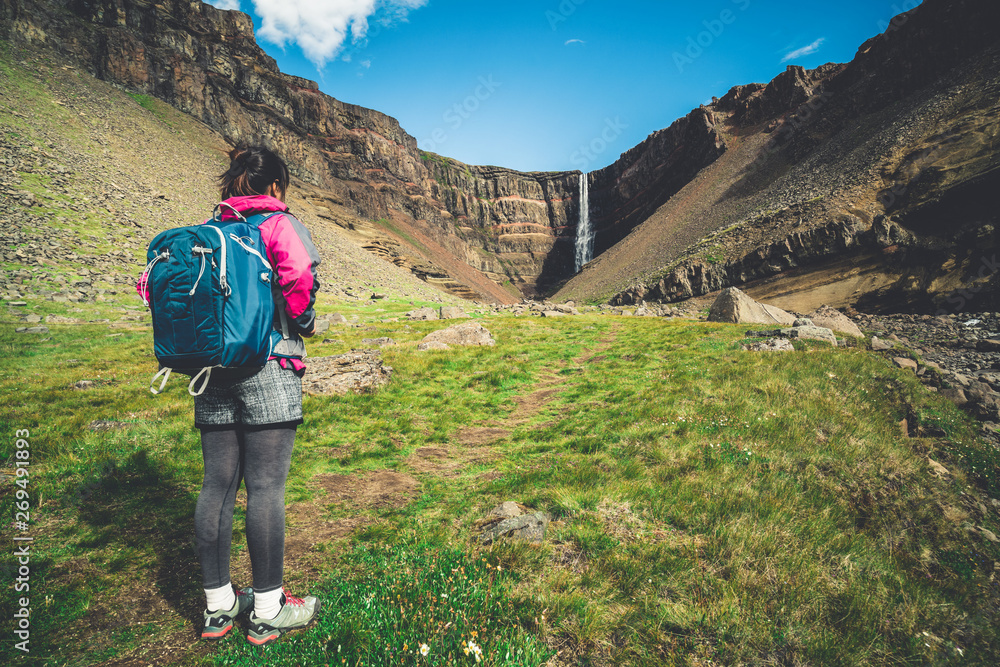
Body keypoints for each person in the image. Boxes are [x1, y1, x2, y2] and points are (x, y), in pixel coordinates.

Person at [192, 146, 322, 645]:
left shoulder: (209, 231)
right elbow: (298, 277)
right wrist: (303, 322)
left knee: (216, 486)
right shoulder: (276, 223)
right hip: (270, 362)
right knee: (265, 487)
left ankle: (218, 606)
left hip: (212, 370)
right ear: (274, 187)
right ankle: (268, 608)